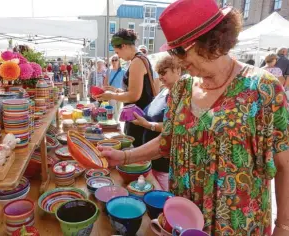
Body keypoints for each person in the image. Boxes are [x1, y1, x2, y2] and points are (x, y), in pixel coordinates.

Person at [98, 0, 289, 235]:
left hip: (237, 223)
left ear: (212, 40)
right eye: (172, 51)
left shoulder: (263, 88)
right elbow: (167, 141)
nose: (177, 60)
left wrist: (283, 226)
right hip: (183, 217)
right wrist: (124, 156)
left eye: (179, 51)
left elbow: (284, 165)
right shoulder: (182, 88)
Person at [96, 29, 157, 147]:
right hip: (139, 116)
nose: (118, 56)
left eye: (117, 52)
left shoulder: (137, 62)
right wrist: (117, 91)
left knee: (136, 155)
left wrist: (111, 95)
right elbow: (137, 90)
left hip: (138, 118)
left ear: (124, 46)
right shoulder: (140, 59)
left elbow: (134, 96)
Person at [131, 55, 181, 190]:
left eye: (164, 72)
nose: (160, 77)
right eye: (159, 73)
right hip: (152, 158)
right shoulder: (165, 91)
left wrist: (147, 125)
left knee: (162, 196)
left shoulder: (181, 96)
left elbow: (174, 127)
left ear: (178, 70)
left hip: (163, 162)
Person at [104, 54, 126, 120]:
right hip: (111, 93)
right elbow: (105, 82)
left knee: (117, 109)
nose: (114, 61)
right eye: (112, 60)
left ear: (119, 61)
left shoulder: (123, 71)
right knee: (113, 109)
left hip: (119, 92)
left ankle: (115, 123)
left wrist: (123, 91)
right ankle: (115, 123)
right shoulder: (109, 71)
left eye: (116, 60)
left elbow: (125, 83)